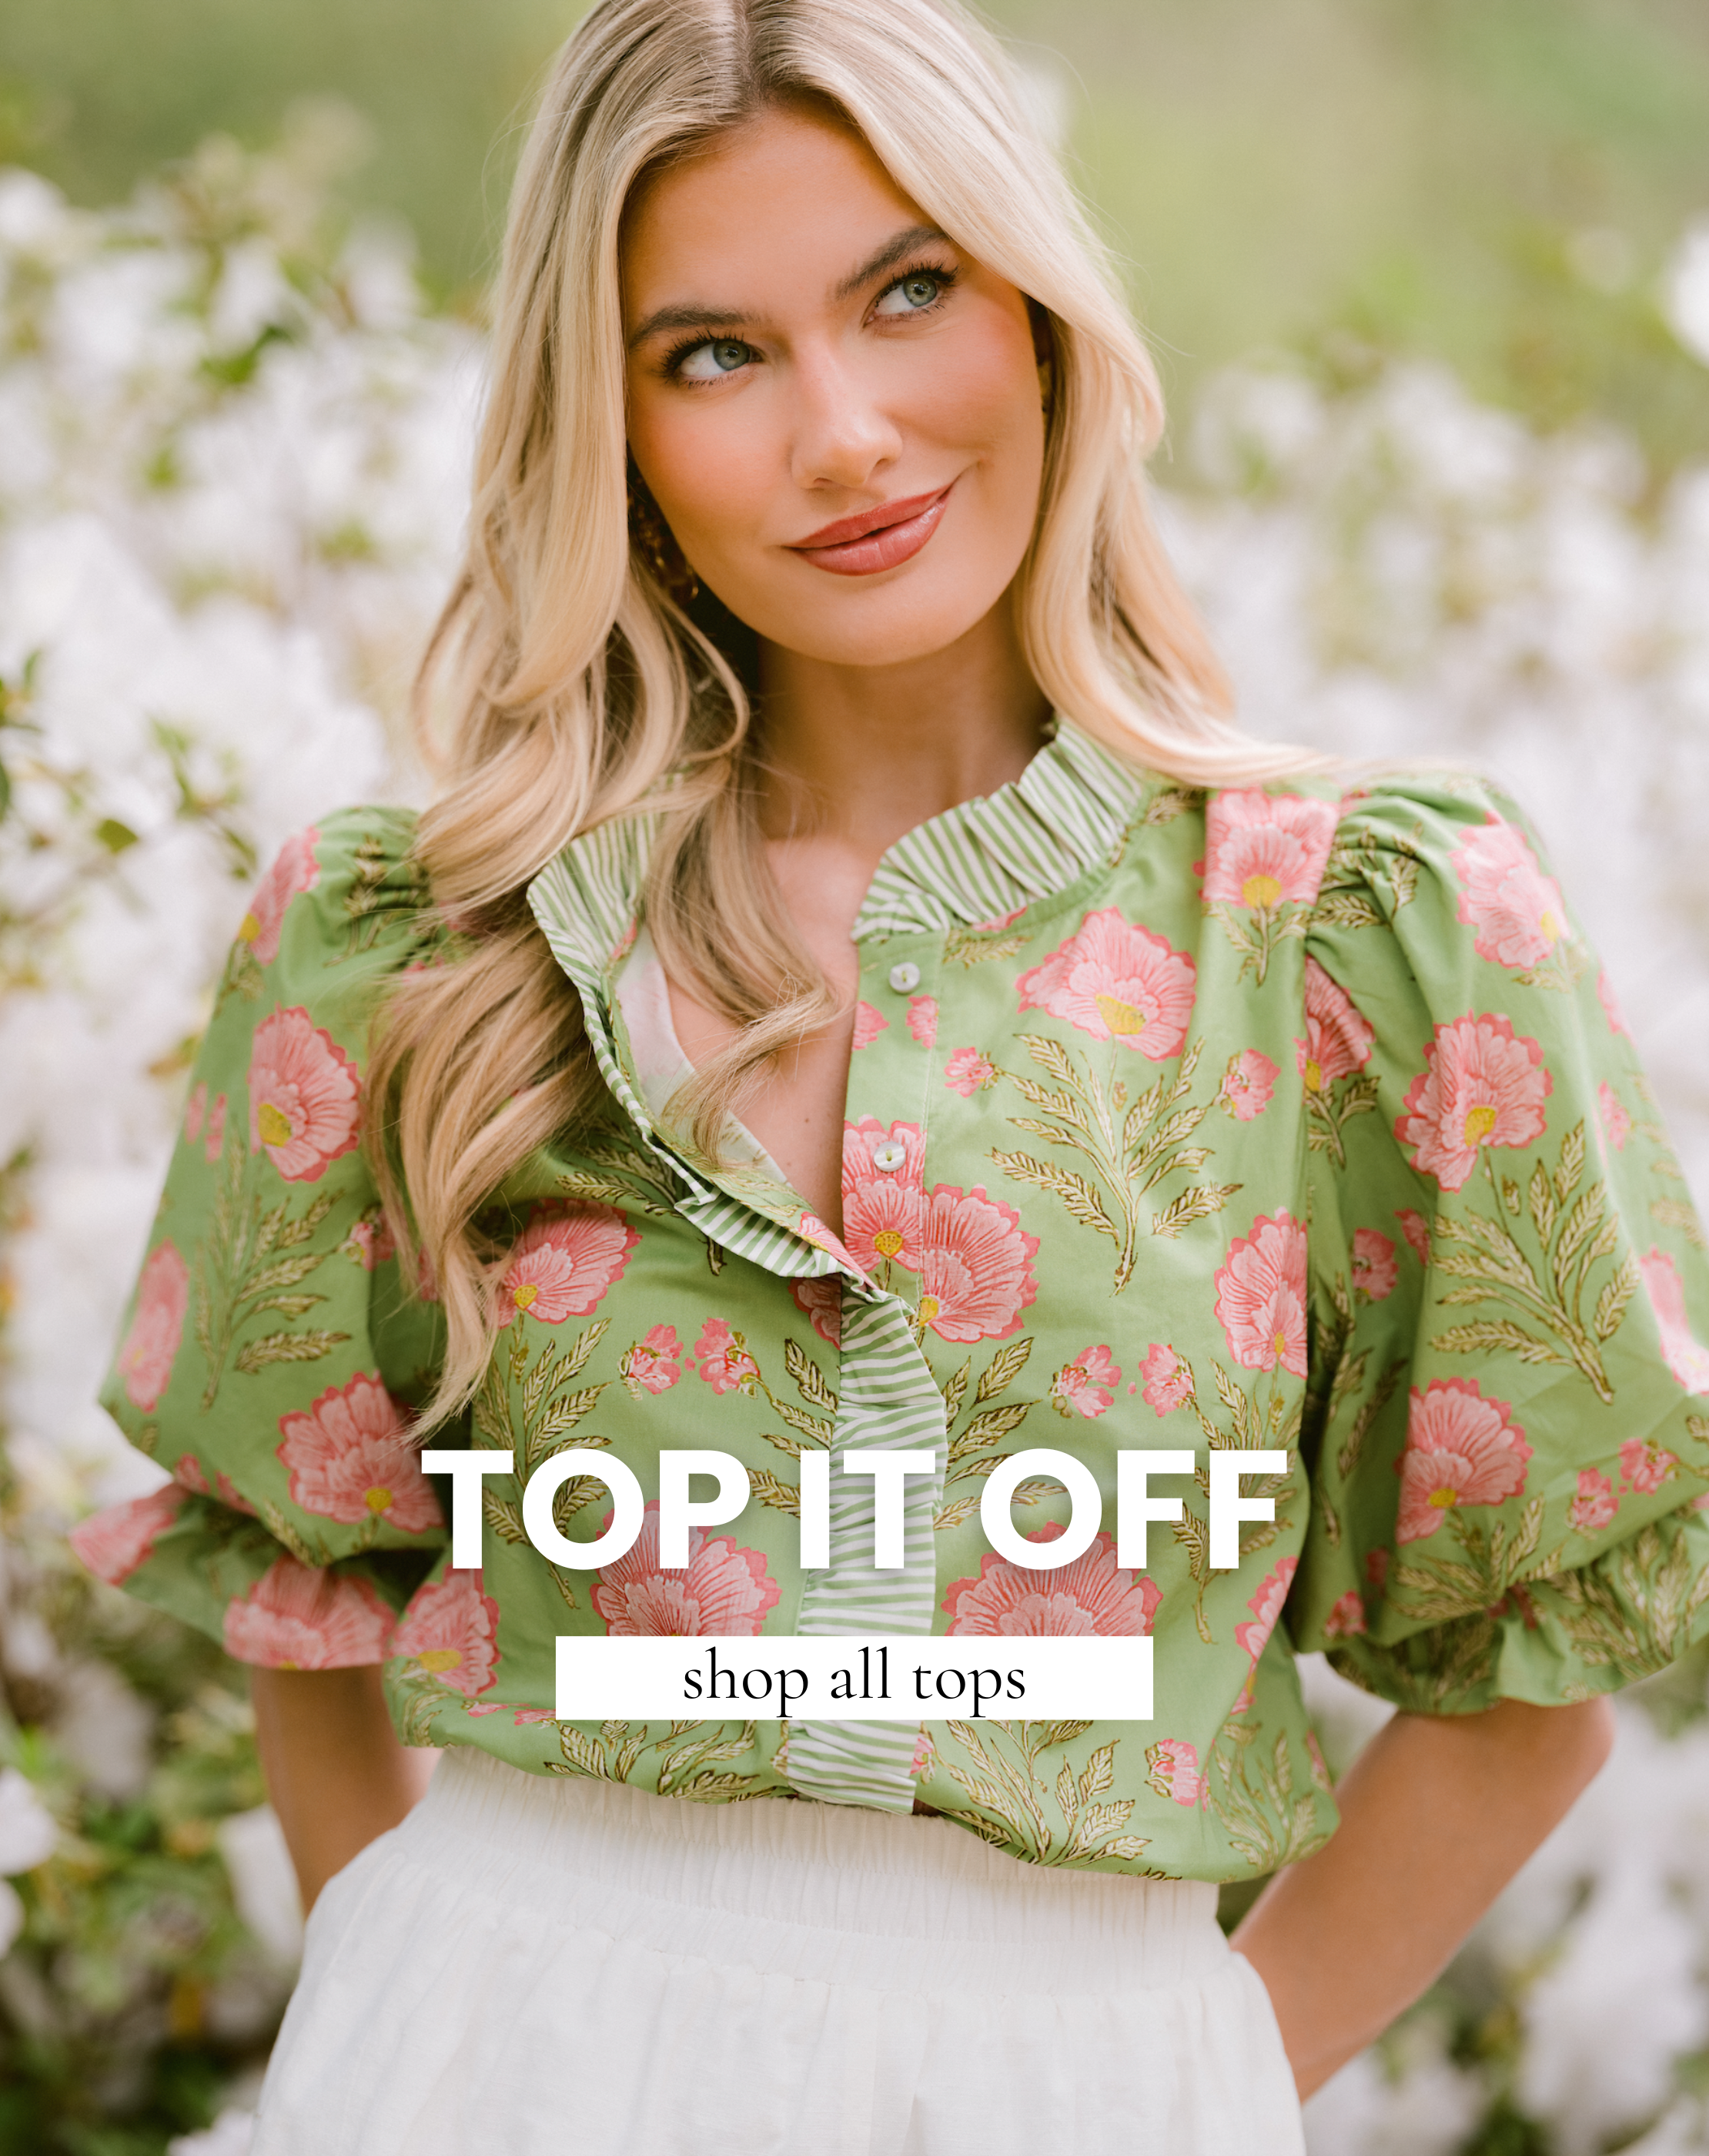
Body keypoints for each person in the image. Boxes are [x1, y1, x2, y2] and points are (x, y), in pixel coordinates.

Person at [72, 0, 1709, 2148]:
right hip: (479, 2049)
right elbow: (307, 1592)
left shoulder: (1364, 936)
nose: (841, 434)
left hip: (1087, 2075)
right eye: (712, 354)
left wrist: (1196, 2078)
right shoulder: (413, 942)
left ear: (1040, 316)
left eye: (907, 292)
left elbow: (1524, 1689)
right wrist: (413, 1997)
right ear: (613, 426)